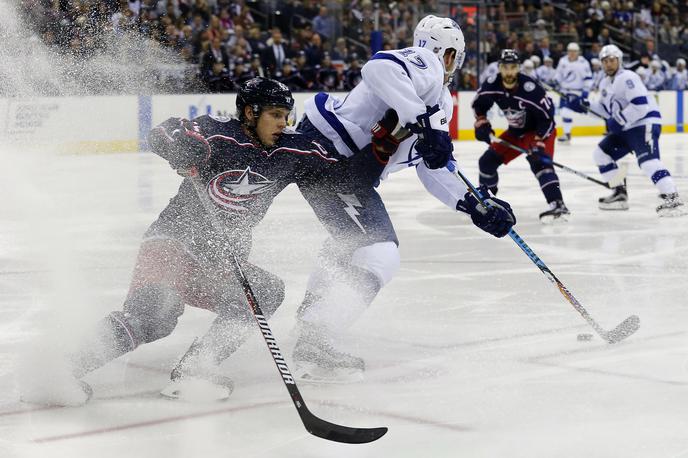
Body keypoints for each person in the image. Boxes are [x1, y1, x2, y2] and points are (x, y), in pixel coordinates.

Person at [17, 77, 386, 405]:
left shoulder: (292, 151)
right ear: (249, 112)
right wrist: (181, 146)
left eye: (286, 114)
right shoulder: (218, 133)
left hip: (218, 262)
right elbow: (164, 131)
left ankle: (197, 367)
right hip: (172, 244)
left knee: (266, 291)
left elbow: (344, 175)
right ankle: (63, 369)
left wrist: (385, 146)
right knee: (153, 317)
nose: (283, 123)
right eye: (274, 114)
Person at [292, 15, 517, 382]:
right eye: (455, 57)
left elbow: (433, 166)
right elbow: (378, 66)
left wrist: (474, 203)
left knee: (348, 243)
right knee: (380, 254)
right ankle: (316, 336)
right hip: (335, 161)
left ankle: (311, 317)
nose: (453, 66)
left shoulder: (438, 100)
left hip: (340, 168)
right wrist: (422, 121)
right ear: (447, 54)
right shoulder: (425, 66)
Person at [585, 45, 685, 216]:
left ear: (619, 61)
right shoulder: (604, 83)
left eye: (612, 61)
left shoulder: (628, 77)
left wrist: (619, 120)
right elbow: (604, 110)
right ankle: (619, 194)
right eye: (605, 61)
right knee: (601, 154)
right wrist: (584, 107)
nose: (608, 64)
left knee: (648, 162)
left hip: (642, 124)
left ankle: (672, 198)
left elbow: (640, 105)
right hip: (626, 127)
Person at [473, 49, 568, 223]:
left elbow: (547, 119)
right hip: (515, 132)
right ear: (499, 68)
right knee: (486, 162)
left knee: (539, 162)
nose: (509, 72)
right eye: (505, 67)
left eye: (513, 67)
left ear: (519, 68)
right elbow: (479, 104)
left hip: (538, 132)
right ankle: (487, 202)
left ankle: (557, 204)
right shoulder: (492, 84)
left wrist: (539, 142)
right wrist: (481, 123)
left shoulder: (531, 89)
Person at [555, 42, 593, 144]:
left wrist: (586, 91)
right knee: (564, 112)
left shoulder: (583, 63)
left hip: (575, 92)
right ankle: (567, 134)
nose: (572, 53)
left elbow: (588, 78)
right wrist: (555, 82)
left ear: (578, 52)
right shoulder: (563, 61)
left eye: (574, 51)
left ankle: (567, 134)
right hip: (563, 91)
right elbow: (558, 74)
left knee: (566, 111)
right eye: (570, 51)